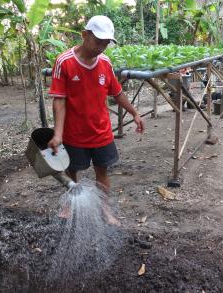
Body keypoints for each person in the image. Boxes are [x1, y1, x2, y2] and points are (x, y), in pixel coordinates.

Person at [47, 15, 145, 224]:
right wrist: (58, 134)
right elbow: (59, 101)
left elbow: (117, 93)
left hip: (101, 131)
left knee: (102, 171)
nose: (101, 47)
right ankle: (68, 205)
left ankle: (105, 210)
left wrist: (134, 113)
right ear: (84, 35)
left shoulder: (105, 63)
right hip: (74, 134)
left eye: (106, 43)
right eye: (98, 41)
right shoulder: (64, 62)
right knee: (72, 171)